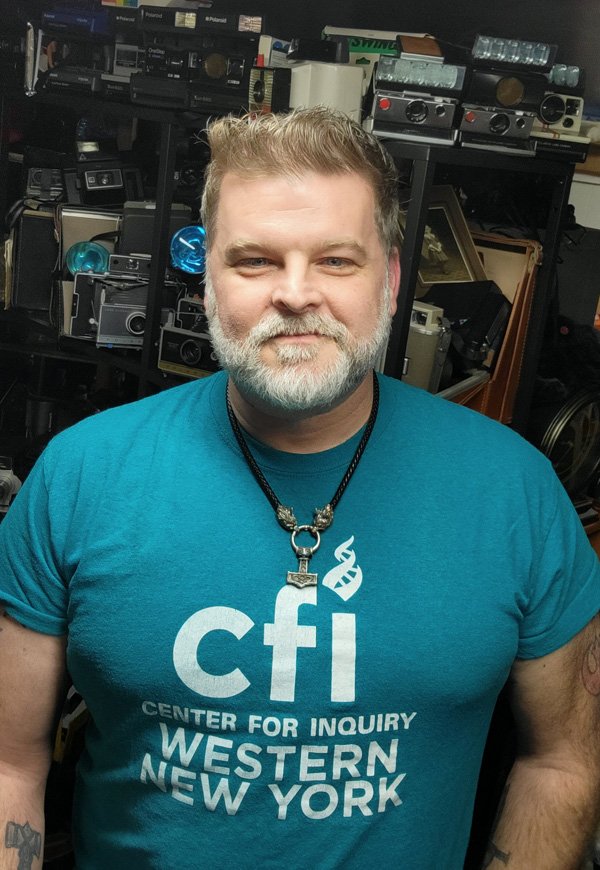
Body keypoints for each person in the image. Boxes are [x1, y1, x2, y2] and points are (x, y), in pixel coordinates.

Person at [0, 107, 599, 870]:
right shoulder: (79, 476)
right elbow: (9, 767)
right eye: (253, 261)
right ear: (208, 278)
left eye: (336, 262)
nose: (295, 294)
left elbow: (563, 765)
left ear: (388, 280)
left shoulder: (515, 492)